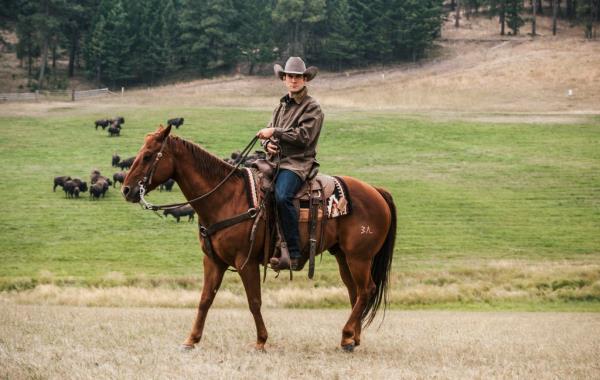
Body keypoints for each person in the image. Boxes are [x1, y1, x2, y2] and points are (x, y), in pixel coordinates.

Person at [256, 57, 324, 271]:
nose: (293, 80)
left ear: (305, 79)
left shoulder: (312, 107)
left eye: (297, 77)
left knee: (283, 196)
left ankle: (294, 252)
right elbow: (267, 133)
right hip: (275, 161)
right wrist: (267, 144)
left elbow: (304, 136)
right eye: (289, 76)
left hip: (297, 163)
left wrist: (275, 133)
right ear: (284, 78)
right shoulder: (281, 105)